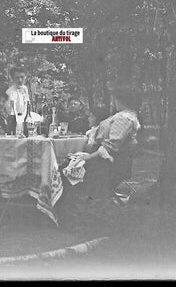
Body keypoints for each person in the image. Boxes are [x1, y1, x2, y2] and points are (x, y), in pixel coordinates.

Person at [58, 86, 142, 227]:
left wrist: (88, 158)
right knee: (67, 164)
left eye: (115, 99)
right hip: (102, 160)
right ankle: (73, 213)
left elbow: (111, 146)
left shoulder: (124, 118)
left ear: (120, 100)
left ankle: (73, 216)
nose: (114, 102)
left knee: (66, 169)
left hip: (106, 164)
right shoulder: (124, 116)